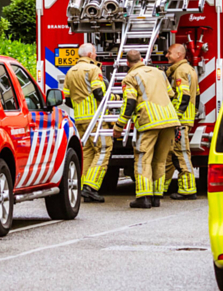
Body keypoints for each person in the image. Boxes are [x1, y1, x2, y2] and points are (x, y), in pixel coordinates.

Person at [114, 51, 180, 209]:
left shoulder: (130, 78)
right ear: (142, 60)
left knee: (143, 159)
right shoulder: (160, 73)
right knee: (160, 160)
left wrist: (119, 126)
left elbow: (129, 103)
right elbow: (171, 95)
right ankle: (156, 196)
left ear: (127, 63)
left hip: (149, 122)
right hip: (169, 120)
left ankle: (143, 197)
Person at [62, 43, 110, 203]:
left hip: (80, 119)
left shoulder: (70, 72)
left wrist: (80, 109)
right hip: (95, 119)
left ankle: (83, 185)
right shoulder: (93, 69)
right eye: (95, 53)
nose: (96, 56)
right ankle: (91, 187)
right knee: (104, 149)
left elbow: (67, 99)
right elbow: (98, 92)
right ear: (90, 54)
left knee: (88, 152)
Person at [164, 43, 198, 200]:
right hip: (186, 120)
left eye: (169, 53)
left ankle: (188, 189)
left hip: (181, 121)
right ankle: (162, 186)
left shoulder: (180, 71)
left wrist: (176, 117)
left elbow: (184, 96)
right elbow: (195, 96)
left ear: (179, 54)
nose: (167, 55)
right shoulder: (190, 70)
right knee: (172, 154)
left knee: (181, 154)